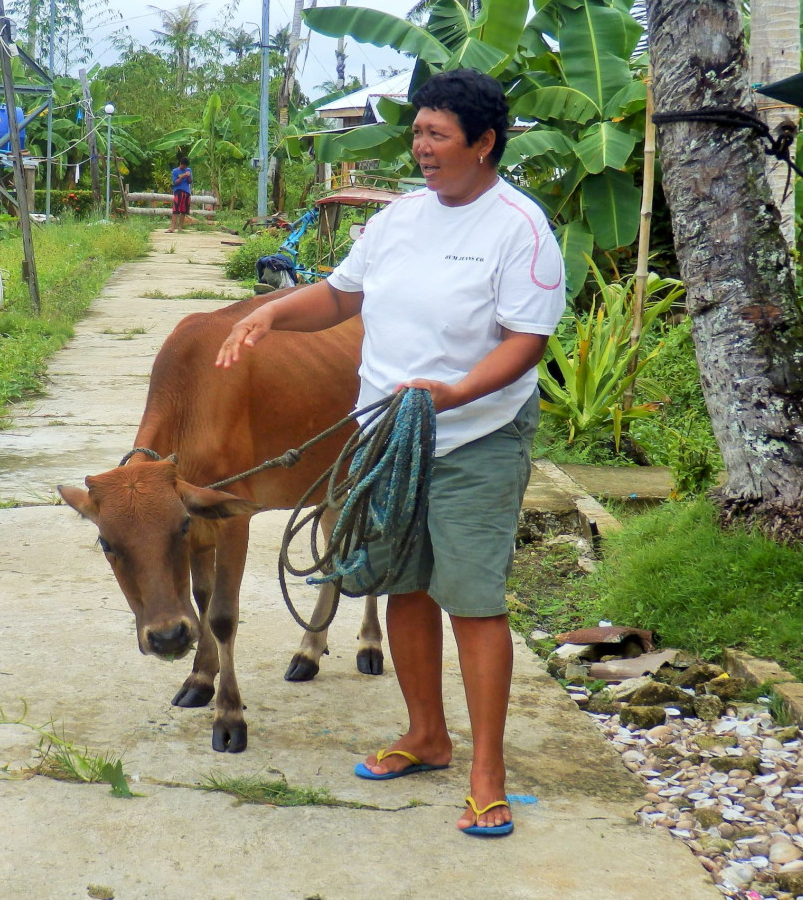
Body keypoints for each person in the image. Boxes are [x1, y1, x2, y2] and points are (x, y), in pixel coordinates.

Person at [215, 68, 565, 837]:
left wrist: (455, 393)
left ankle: (486, 770)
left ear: (484, 143)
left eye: (438, 135)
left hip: (474, 437)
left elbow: (526, 341)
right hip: (386, 433)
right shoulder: (400, 218)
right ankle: (425, 734)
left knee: (471, 599)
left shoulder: (520, 227)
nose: (422, 148)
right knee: (405, 586)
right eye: (417, 133)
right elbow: (343, 297)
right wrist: (271, 315)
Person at [168, 156, 193, 232]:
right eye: (183, 166)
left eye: (185, 166)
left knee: (184, 211)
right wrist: (182, 177)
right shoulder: (175, 171)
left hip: (187, 192)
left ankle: (180, 228)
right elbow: (175, 183)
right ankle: (172, 228)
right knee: (176, 210)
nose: (184, 168)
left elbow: (190, 181)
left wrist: (188, 176)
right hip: (178, 191)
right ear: (180, 164)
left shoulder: (188, 170)